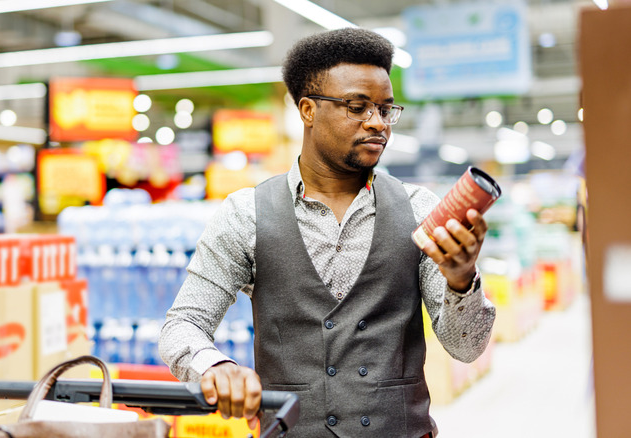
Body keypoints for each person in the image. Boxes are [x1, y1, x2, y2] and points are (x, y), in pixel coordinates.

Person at [159, 27, 496, 437]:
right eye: (357, 106)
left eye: (386, 109)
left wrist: (462, 279)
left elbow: (467, 347)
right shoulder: (245, 214)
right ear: (307, 110)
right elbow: (183, 324)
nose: (377, 123)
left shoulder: (419, 210)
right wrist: (214, 366)